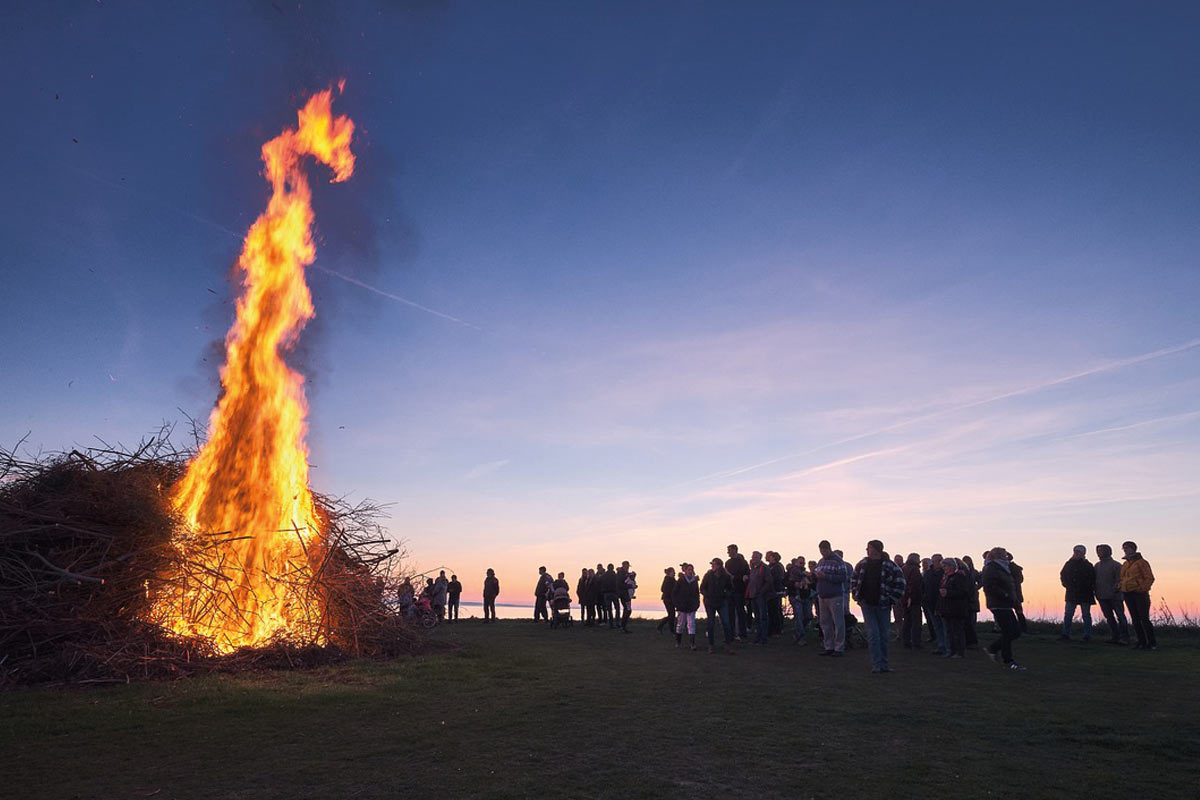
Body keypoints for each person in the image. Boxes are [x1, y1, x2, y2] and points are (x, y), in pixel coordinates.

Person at [851, 539, 906, 673]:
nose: (866, 550)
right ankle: (876, 664)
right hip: (867, 604)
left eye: (868, 548)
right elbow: (853, 579)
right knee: (873, 634)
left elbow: (900, 583)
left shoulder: (890, 566)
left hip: (883, 605)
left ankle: (884, 664)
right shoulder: (862, 564)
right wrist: (856, 595)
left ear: (875, 549)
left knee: (884, 635)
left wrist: (891, 599)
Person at [982, 547, 1025, 670]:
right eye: (1004, 554)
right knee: (1009, 632)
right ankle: (1008, 660)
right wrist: (1005, 595)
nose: (1006, 556)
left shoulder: (1003, 567)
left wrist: (1013, 600)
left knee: (1014, 631)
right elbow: (989, 586)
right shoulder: (992, 568)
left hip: (1006, 603)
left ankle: (994, 649)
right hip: (999, 603)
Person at [814, 540, 850, 656]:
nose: (822, 553)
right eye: (821, 550)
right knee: (824, 622)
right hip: (822, 595)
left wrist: (826, 576)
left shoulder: (838, 562)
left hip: (835, 595)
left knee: (838, 622)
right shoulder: (821, 561)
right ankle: (828, 646)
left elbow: (843, 578)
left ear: (829, 549)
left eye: (824, 550)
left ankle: (839, 647)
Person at [1119, 541, 1156, 650]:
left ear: (1133, 549)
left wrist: (1141, 589)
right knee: (1135, 619)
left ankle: (1152, 643)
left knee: (1144, 618)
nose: (1126, 549)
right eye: (1124, 548)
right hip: (1127, 593)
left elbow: (1149, 578)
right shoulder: (1125, 564)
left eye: (1128, 547)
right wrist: (1120, 586)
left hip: (1140, 594)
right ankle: (1141, 642)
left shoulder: (1142, 562)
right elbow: (1123, 578)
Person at [1094, 544, 1129, 644]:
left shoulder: (1116, 565)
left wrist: (1114, 590)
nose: (1098, 553)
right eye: (1098, 551)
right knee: (1109, 617)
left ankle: (1124, 637)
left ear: (1107, 552)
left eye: (1100, 551)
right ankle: (1115, 636)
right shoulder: (1097, 566)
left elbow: (1120, 580)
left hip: (1115, 596)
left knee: (1120, 616)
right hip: (1101, 596)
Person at [1060, 545, 1096, 642]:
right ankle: (1065, 634)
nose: (1077, 553)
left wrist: (1086, 586)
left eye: (1079, 552)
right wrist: (1067, 584)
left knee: (1086, 615)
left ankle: (1087, 635)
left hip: (1085, 593)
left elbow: (1092, 578)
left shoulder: (1088, 565)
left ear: (1083, 553)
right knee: (1068, 614)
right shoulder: (1068, 564)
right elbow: (1063, 575)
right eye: (1075, 551)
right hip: (1072, 593)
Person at [701, 557, 735, 654]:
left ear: (719, 565)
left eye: (714, 564)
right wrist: (707, 595)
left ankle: (728, 645)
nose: (712, 566)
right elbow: (702, 588)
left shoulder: (726, 577)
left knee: (726, 623)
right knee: (711, 623)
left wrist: (725, 594)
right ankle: (711, 645)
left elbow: (731, 588)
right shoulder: (708, 575)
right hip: (710, 603)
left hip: (721, 602)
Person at [937, 558, 970, 658]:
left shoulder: (959, 576)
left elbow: (963, 592)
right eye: (943, 566)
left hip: (956, 608)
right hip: (947, 607)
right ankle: (951, 650)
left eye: (945, 566)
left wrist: (948, 593)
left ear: (951, 566)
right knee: (949, 631)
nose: (944, 568)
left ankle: (959, 652)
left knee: (957, 631)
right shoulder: (946, 577)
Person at [922, 555, 948, 655]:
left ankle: (946, 646)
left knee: (944, 626)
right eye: (937, 560)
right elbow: (923, 586)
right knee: (937, 626)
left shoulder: (945, 573)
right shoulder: (928, 573)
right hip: (930, 603)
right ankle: (941, 645)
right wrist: (924, 597)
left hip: (942, 603)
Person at [672, 562, 701, 650]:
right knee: (680, 624)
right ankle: (678, 642)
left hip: (691, 606)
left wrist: (696, 604)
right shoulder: (681, 580)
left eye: (691, 570)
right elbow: (674, 592)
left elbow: (697, 593)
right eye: (689, 570)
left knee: (691, 624)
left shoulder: (694, 581)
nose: (690, 571)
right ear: (686, 571)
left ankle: (692, 644)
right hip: (682, 606)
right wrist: (677, 603)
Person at [724, 544, 750, 640]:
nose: (728, 552)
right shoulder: (727, 562)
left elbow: (746, 576)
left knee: (740, 611)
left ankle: (742, 633)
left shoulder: (743, 562)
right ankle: (732, 633)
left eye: (729, 550)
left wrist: (733, 577)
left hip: (739, 590)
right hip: (730, 590)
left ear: (735, 550)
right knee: (730, 612)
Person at [746, 551, 771, 645]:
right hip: (753, 595)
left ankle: (763, 638)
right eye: (753, 557)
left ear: (759, 558)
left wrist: (761, 592)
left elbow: (769, 581)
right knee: (757, 617)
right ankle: (758, 637)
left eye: (755, 557)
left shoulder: (764, 568)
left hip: (760, 596)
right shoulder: (753, 568)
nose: (753, 558)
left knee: (762, 617)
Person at [786, 556, 811, 645]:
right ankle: (800, 636)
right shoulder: (791, 572)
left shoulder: (805, 573)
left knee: (808, 616)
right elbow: (785, 582)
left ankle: (798, 633)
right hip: (795, 596)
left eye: (803, 563)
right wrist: (793, 584)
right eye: (800, 563)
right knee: (799, 616)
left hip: (806, 596)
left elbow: (811, 583)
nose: (802, 564)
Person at [901, 553, 923, 649]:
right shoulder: (915, 570)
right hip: (914, 599)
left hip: (904, 598)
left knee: (907, 621)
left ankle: (906, 641)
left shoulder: (903, 568)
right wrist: (912, 597)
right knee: (916, 622)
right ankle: (916, 643)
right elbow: (914, 584)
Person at [960, 555, 981, 648]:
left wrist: (977, 587)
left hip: (972, 598)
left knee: (972, 621)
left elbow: (981, 581)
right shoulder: (962, 572)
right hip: (965, 598)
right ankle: (967, 640)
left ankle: (973, 641)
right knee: (966, 621)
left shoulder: (974, 572)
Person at [766, 551, 786, 636]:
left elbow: (776, 579)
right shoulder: (770, 567)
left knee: (774, 610)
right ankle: (773, 628)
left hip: (775, 591)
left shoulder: (777, 567)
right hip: (772, 591)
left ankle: (776, 629)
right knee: (772, 610)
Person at [657, 567, 678, 634]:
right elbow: (663, 589)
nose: (674, 573)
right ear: (670, 572)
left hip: (670, 599)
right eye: (673, 571)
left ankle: (667, 628)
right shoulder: (668, 579)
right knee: (671, 614)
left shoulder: (672, 579)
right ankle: (667, 628)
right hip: (668, 599)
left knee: (672, 614)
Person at [616, 561, 634, 632]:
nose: (628, 568)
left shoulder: (624, 573)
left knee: (627, 609)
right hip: (624, 594)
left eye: (628, 567)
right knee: (628, 610)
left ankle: (623, 626)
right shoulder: (621, 574)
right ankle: (623, 626)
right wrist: (629, 586)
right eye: (627, 566)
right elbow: (620, 584)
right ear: (623, 566)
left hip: (625, 594)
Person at [891, 553, 906, 637]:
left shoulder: (905, 569)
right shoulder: (893, 569)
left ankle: (904, 633)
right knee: (897, 616)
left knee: (905, 615)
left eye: (899, 560)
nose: (897, 562)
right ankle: (900, 633)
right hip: (896, 596)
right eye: (896, 560)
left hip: (903, 596)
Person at [601, 564, 619, 628]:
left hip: (607, 593)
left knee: (609, 609)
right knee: (617, 608)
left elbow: (601, 583)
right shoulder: (615, 576)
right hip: (614, 593)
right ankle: (617, 623)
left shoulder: (604, 576)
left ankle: (611, 624)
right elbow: (617, 584)